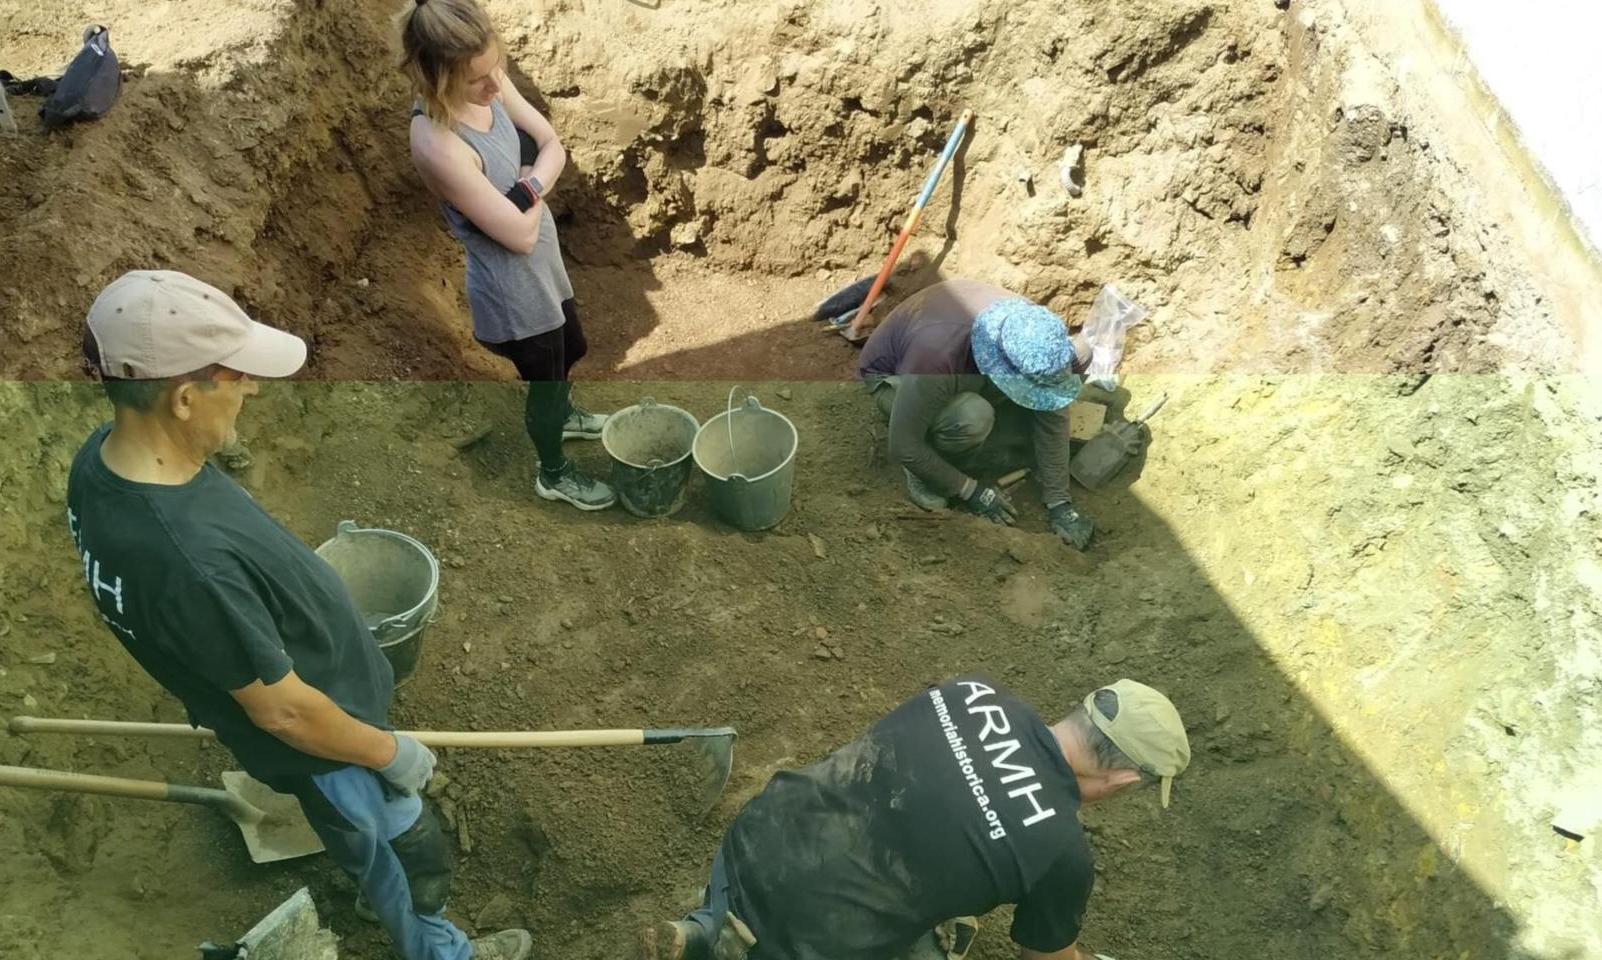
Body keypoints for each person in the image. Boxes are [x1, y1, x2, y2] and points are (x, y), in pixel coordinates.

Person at [66, 269, 531, 960]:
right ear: (185, 397)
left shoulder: (102, 465)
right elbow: (283, 712)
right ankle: (439, 951)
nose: (252, 387)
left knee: (392, 846)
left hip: (324, 710)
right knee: (411, 855)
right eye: (235, 375)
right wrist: (389, 752)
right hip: (325, 743)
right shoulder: (189, 566)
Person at [638, 675, 1191, 960]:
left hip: (752, 842)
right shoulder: (1062, 854)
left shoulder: (976, 690)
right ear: (1124, 780)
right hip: (807, 941)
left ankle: (708, 930)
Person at [402, 0, 614, 510]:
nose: (496, 87)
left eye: (494, 66)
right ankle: (554, 472)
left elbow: (551, 143)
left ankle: (565, 416)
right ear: (435, 76)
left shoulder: (485, 72)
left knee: (574, 349)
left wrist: (526, 187)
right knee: (544, 383)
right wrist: (534, 177)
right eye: (478, 81)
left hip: (544, 264)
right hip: (513, 290)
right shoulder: (437, 142)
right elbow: (515, 237)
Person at [855, 279, 1119, 551]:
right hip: (895, 378)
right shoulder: (935, 358)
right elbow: (902, 445)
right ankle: (925, 469)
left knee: (1058, 380)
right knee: (972, 416)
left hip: (962, 360)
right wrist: (972, 490)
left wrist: (1060, 503)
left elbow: (1052, 409)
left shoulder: (1034, 330)